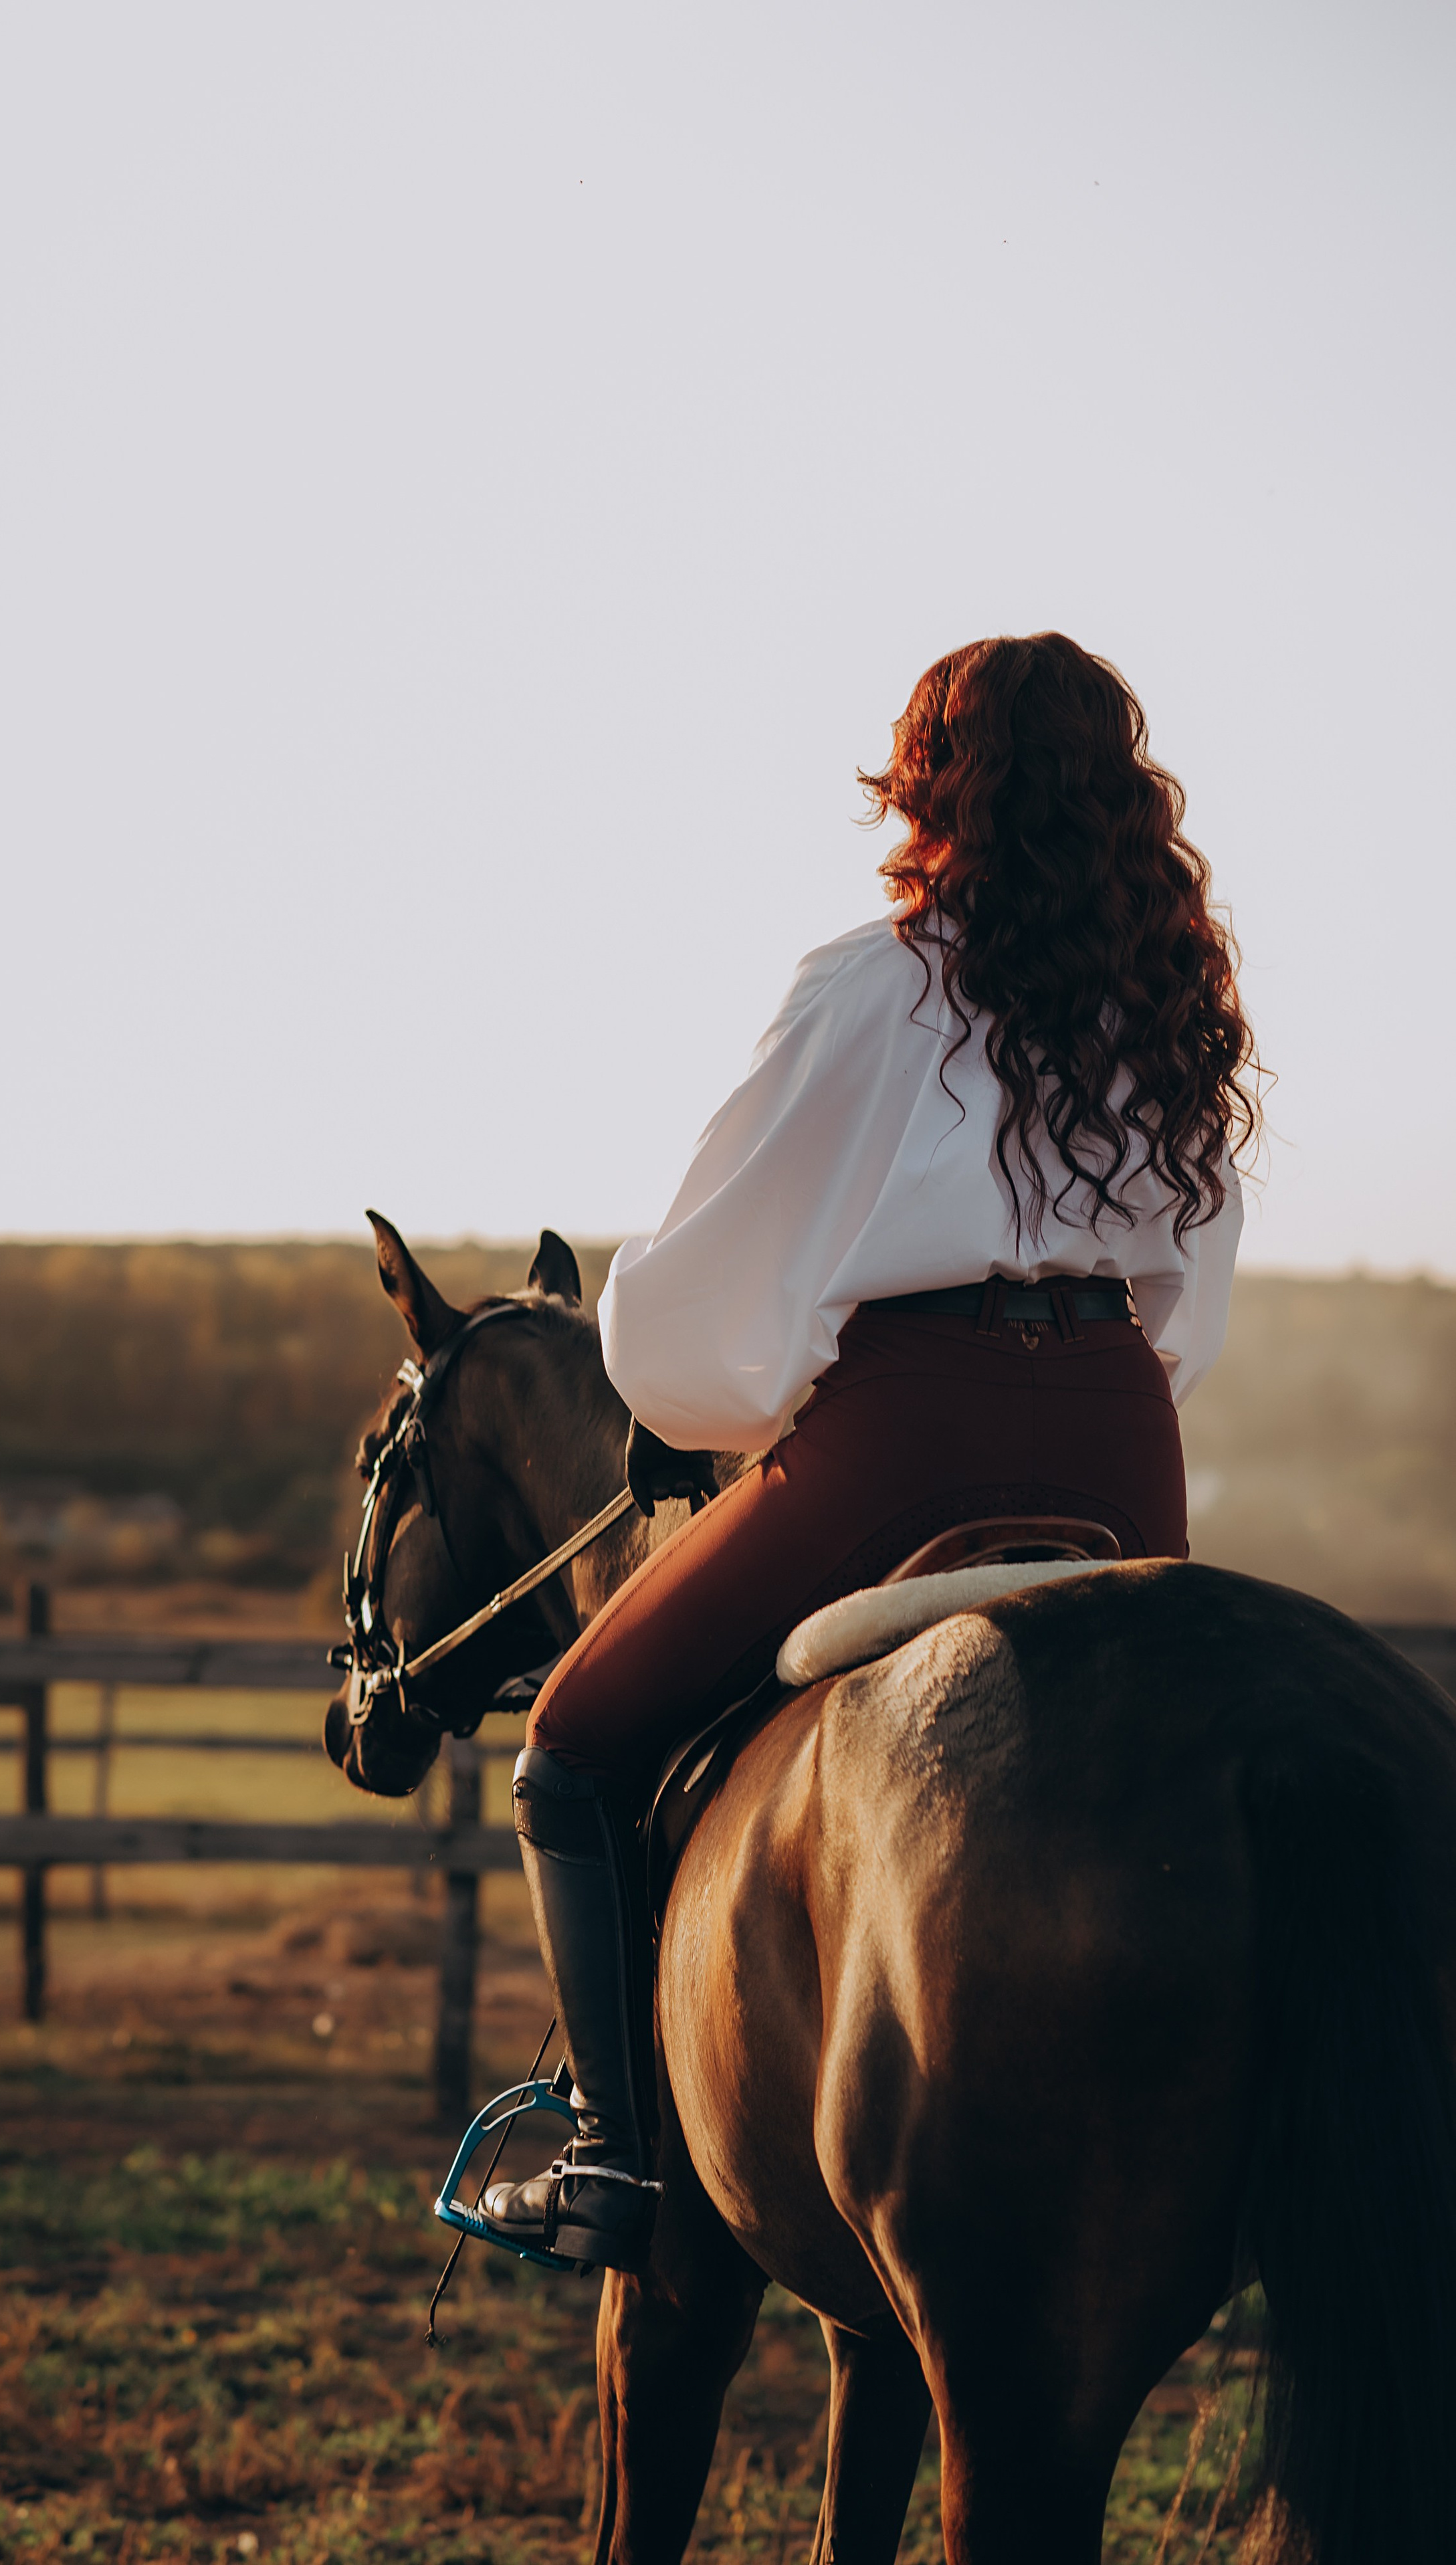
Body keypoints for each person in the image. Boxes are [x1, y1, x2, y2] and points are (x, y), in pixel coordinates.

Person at [482, 631, 1261, 2272]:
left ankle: (622, 2161)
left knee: (571, 1736)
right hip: (1120, 1425)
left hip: (911, 1419)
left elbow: (707, 1270)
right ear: (1121, 788)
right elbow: (1190, 1276)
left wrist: (720, 1393)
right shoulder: (1170, 990)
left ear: (930, 781)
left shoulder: (873, 979)